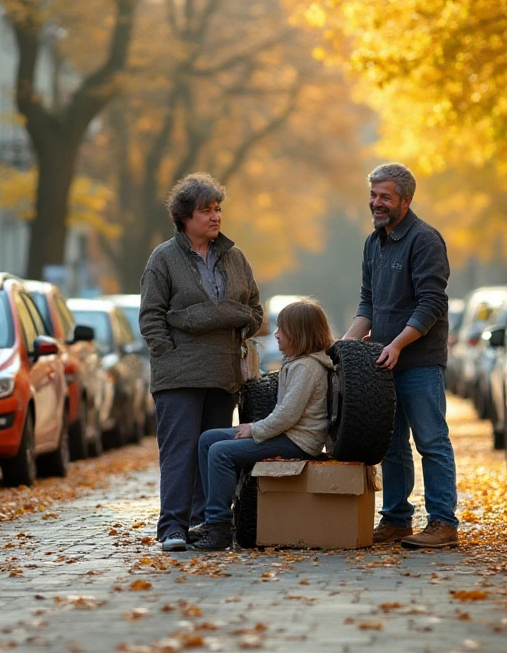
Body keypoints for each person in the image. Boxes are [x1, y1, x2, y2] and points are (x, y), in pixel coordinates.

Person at [139, 173, 264, 552]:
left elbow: (255, 310)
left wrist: (233, 320)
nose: (215, 216)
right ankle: (173, 527)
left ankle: (204, 525)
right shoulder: (164, 258)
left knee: (211, 454)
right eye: (205, 210)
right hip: (178, 375)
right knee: (179, 453)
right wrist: (169, 354)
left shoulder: (235, 257)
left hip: (222, 373)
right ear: (184, 218)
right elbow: (151, 317)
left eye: (217, 209)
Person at [343, 162, 459, 549]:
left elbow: (431, 304)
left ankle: (443, 522)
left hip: (419, 362)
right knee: (391, 445)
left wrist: (397, 344)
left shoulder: (425, 240)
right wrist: (344, 347)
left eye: (385, 197)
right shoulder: (372, 242)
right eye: (373, 195)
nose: (376, 203)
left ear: (405, 200)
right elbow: (368, 304)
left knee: (431, 441)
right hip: (382, 363)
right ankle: (396, 519)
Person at [191, 299, 335, 551]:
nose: (276, 335)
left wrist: (253, 429)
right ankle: (210, 518)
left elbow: (288, 416)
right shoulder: (296, 363)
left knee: (220, 452)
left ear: (300, 334)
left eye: (282, 329)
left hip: (298, 442)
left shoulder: (308, 367)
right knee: (208, 439)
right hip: (286, 434)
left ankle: (219, 527)